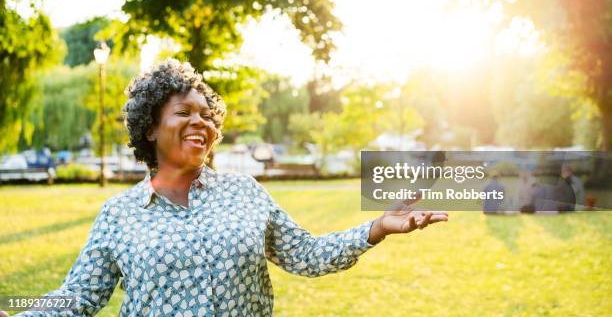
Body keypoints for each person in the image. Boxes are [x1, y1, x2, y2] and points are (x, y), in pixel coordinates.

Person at [9, 59, 448, 317]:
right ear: (150, 129)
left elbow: (307, 255)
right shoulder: (119, 215)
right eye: (184, 113)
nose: (200, 122)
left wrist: (377, 227)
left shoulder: (245, 193)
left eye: (206, 115)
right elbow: (78, 296)